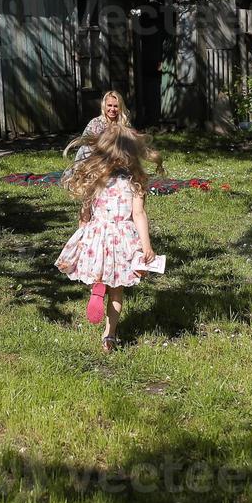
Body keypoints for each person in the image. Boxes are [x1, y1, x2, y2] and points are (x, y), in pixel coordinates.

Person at [55, 124, 162, 353]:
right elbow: (139, 214)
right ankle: (109, 335)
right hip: (122, 237)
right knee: (118, 289)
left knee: (100, 271)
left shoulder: (95, 177)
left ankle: (97, 287)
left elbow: (85, 212)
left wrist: (83, 230)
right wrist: (146, 246)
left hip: (98, 234)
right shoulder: (135, 180)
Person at [71, 90, 134, 164]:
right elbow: (85, 142)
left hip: (117, 159)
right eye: (109, 105)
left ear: (120, 107)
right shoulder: (95, 123)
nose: (112, 109)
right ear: (104, 106)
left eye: (116, 106)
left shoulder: (124, 124)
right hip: (96, 159)